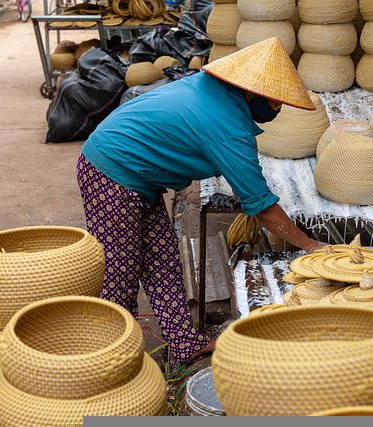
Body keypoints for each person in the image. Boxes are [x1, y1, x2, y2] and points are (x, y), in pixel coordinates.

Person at [77, 38, 326, 362]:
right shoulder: (227, 124)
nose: (276, 109)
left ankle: (184, 343)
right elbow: (260, 206)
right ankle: (112, 359)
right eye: (275, 102)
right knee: (121, 272)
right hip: (110, 171)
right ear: (253, 91)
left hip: (139, 175)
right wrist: (309, 245)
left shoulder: (216, 89)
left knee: (163, 260)